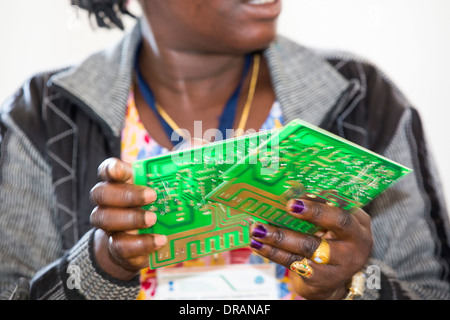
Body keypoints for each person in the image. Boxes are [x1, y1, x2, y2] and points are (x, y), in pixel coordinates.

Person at [0, 0, 449, 300]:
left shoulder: (363, 100)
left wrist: (352, 287)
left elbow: (431, 289)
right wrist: (100, 268)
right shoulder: (43, 116)